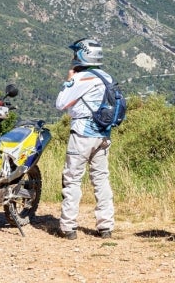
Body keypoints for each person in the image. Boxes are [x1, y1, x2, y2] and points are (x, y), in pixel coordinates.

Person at [55, 38, 115, 240]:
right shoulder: (106, 76)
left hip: (82, 134)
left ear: (82, 55)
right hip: (103, 134)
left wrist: (69, 80)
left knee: (72, 179)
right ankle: (105, 226)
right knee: (101, 179)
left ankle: (68, 227)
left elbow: (60, 103)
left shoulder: (82, 78)